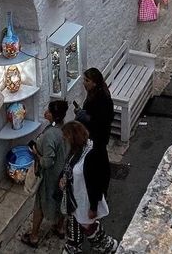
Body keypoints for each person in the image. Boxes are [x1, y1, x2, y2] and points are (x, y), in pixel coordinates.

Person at [60, 121, 118, 254]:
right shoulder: (75, 151)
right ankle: (74, 247)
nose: (64, 140)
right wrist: (63, 179)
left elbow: (96, 183)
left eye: (66, 137)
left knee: (87, 225)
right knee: (75, 222)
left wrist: (93, 207)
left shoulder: (91, 155)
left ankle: (105, 245)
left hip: (85, 200)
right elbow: (69, 168)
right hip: (75, 197)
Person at [22, 100, 69, 248]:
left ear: (53, 116)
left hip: (51, 176)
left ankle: (34, 236)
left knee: (40, 204)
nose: (45, 112)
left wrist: (36, 153)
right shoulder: (64, 128)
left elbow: (47, 162)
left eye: (48, 111)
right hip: (63, 172)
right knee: (61, 200)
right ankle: (60, 228)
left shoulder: (50, 135)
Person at [74, 68, 114, 168]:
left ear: (95, 83)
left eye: (87, 81)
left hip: (98, 136)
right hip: (94, 135)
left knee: (99, 158)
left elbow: (102, 120)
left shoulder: (102, 98)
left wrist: (84, 116)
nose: (84, 83)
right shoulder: (93, 93)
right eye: (84, 80)